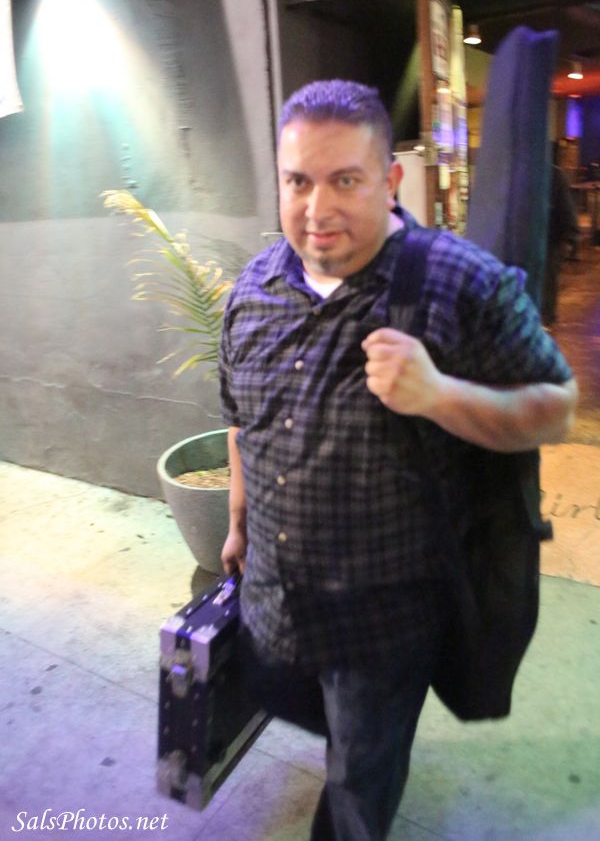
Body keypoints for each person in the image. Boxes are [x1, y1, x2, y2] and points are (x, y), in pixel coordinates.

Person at [218, 80, 578, 840]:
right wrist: (238, 517)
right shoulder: (252, 289)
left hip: (382, 622)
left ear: (390, 181)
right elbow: (239, 416)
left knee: (359, 780)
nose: (317, 209)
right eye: (298, 181)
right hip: (276, 601)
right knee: (309, 716)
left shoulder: (461, 282)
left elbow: (557, 407)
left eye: (345, 181)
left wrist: (438, 393)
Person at [541, 163, 580, 327]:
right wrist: (571, 238)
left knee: (547, 279)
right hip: (553, 238)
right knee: (548, 280)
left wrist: (571, 236)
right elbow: (567, 209)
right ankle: (546, 319)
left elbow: (566, 209)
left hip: (552, 239)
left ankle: (546, 318)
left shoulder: (553, 175)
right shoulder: (555, 174)